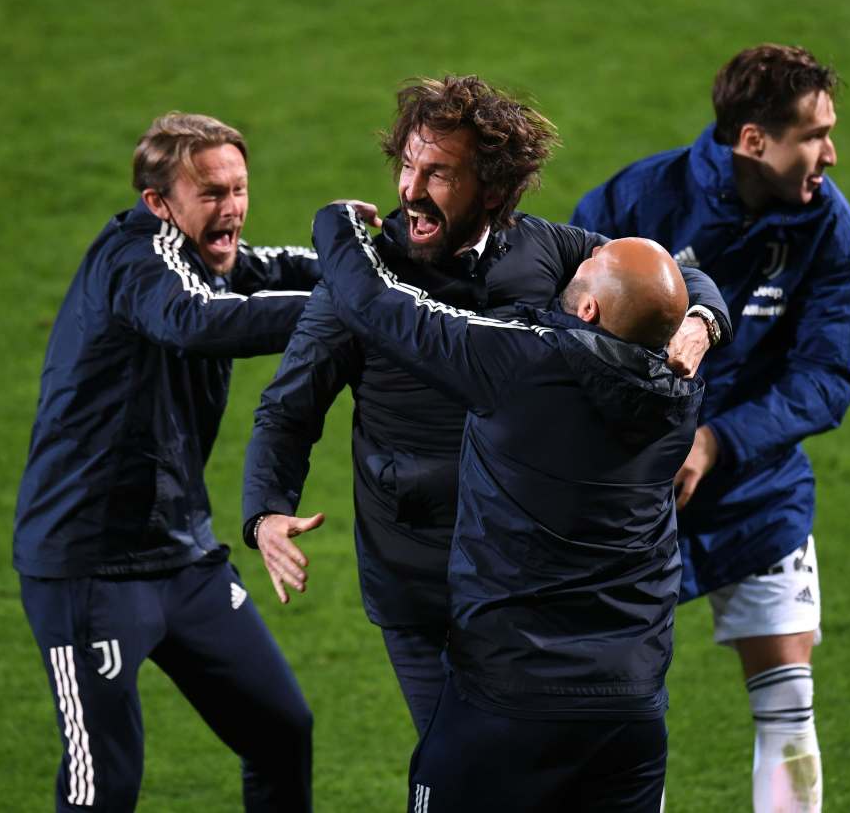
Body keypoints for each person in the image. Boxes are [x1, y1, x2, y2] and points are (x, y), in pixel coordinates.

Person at [241, 75, 732, 736]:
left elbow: (660, 273)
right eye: (407, 166)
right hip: (423, 585)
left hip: (526, 584)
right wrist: (266, 511)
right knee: (456, 765)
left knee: (538, 767)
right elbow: (288, 408)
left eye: (439, 173)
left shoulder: (543, 249)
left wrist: (702, 318)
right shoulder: (358, 280)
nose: (410, 190)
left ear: (494, 190)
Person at [313, 200, 712, 812]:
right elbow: (678, 289)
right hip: (630, 707)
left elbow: (381, 307)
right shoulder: (679, 393)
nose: (585, 256)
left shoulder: (522, 364)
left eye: (592, 264)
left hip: (510, 698)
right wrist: (706, 318)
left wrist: (335, 224)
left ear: (588, 309)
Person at [572, 44, 850, 812]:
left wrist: (716, 440)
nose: (830, 155)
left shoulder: (833, 233)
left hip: (756, 489)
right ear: (753, 141)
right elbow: (565, 326)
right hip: (636, 496)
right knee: (622, 716)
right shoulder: (638, 201)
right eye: (814, 136)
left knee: (788, 707)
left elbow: (825, 378)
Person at [13, 112, 329, 812]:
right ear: (158, 202)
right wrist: (341, 313)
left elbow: (273, 269)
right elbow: (195, 321)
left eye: (239, 188)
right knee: (104, 786)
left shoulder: (206, 256)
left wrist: (377, 261)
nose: (233, 207)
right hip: (88, 568)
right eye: (212, 192)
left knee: (281, 731)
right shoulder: (135, 260)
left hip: (182, 559)